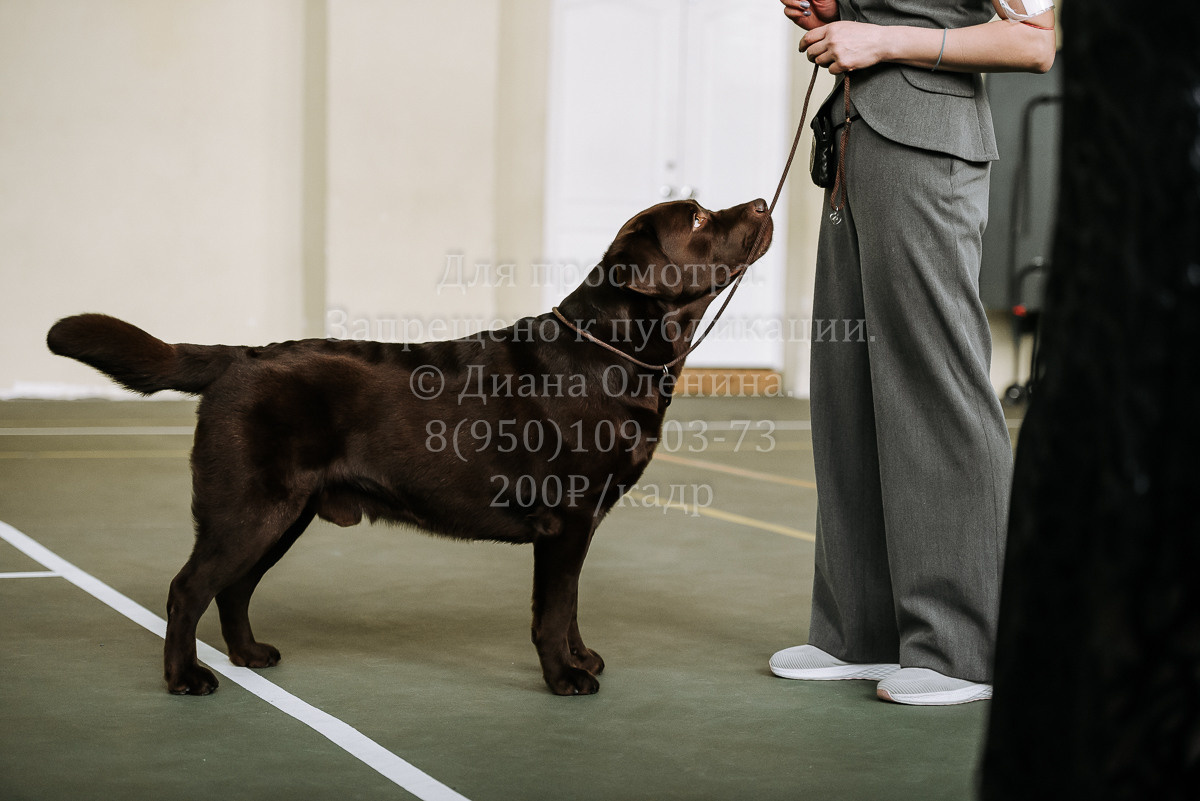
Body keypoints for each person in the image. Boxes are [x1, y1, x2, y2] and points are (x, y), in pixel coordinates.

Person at [770, 0, 1056, 705]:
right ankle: (858, 632)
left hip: (930, 150)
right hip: (856, 139)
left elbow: (1034, 42)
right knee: (850, 387)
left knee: (934, 384)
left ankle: (964, 647)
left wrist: (879, 38)